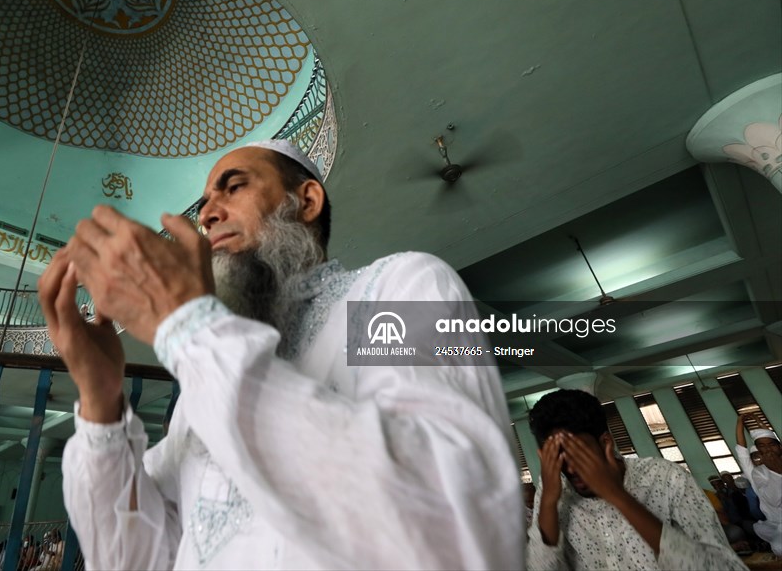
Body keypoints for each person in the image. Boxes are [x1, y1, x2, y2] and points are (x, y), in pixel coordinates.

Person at [43, 140, 522, 569]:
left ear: (306, 201)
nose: (207, 213)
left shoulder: (391, 290)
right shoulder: (201, 388)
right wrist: (101, 400)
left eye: (233, 187)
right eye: (204, 202)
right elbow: (130, 561)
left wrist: (187, 327)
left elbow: (456, 534)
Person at [526, 389, 745, 570]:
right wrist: (548, 503)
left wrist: (616, 496)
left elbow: (723, 567)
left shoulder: (665, 477)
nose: (571, 468)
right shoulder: (554, 487)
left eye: (581, 454)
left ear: (605, 443)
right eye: (557, 457)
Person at [735, 412, 782, 555]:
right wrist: (740, 422)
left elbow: (768, 437)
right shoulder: (757, 473)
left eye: (771, 445)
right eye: (762, 447)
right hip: (777, 523)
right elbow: (774, 500)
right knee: (779, 547)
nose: (767, 449)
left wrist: (757, 420)